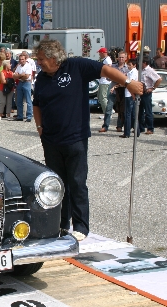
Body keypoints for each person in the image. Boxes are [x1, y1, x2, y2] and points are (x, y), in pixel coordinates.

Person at [32, 39, 143, 242]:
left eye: (41, 59)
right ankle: (61, 223)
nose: (38, 63)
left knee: (77, 183)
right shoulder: (41, 78)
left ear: (53, 57)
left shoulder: (76, 66)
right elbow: (36, 104)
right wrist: (39, 128)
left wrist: (128, 83)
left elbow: (106, 71)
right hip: (51, 140)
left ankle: (81, 226)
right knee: (57, 183)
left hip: (75, 138)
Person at [100, 51, 128, 133]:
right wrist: (118, 79)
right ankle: (105, 126)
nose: (121, 59)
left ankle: (119, 126)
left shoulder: (127, 68)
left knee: (120, 109)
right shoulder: (113, 67)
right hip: (113, 90)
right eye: (120, 57)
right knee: (108, 108)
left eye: (123, 57)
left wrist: (117, 79)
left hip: (122, 90)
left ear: (125, 58)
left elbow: (127, 79)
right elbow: (108, 77)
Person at [138, 56, 161, 135]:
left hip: (147, 92)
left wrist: (153, 88)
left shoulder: (150, 70)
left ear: (144, 63)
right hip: (140, 91)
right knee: (139, 111)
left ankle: (150, 128)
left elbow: (159, 79)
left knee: (148, 111)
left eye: (140, 62)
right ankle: (141, 128)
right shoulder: (140, 70)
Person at [121, 58, 138, 138]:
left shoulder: (133, 72)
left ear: (134, 65)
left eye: (130, 65)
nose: (128, 66)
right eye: (128, 64)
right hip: (130, 94)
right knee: (133, 114)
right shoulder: (130, 72)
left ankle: (127, 133)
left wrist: (132, 94)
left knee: (127, 114)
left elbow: (130, 83)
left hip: (129, 94)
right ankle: (136, 131)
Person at [13, 54, 33, 122]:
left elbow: (27, 76)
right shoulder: (18, 66)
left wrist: (18, 76)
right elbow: (14, 76)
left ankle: (29, 116)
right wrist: (21, 75)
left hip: (27, 83)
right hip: (20, 83)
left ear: (25, 59)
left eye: (22, 59)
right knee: (19, 101)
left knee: (28, 100)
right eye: (20, 59)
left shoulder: (28, 66)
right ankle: (20, 116)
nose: (21, 61)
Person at [97, 47, 113, 120]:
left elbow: (109, 68)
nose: (99, 54)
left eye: (100, 53)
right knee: (100, 97)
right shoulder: (104, 59)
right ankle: (109, 111)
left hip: (105, 81)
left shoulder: (107, 60)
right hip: (102, 81)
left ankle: (107, 114)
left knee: (103, 98)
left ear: (103, 53)